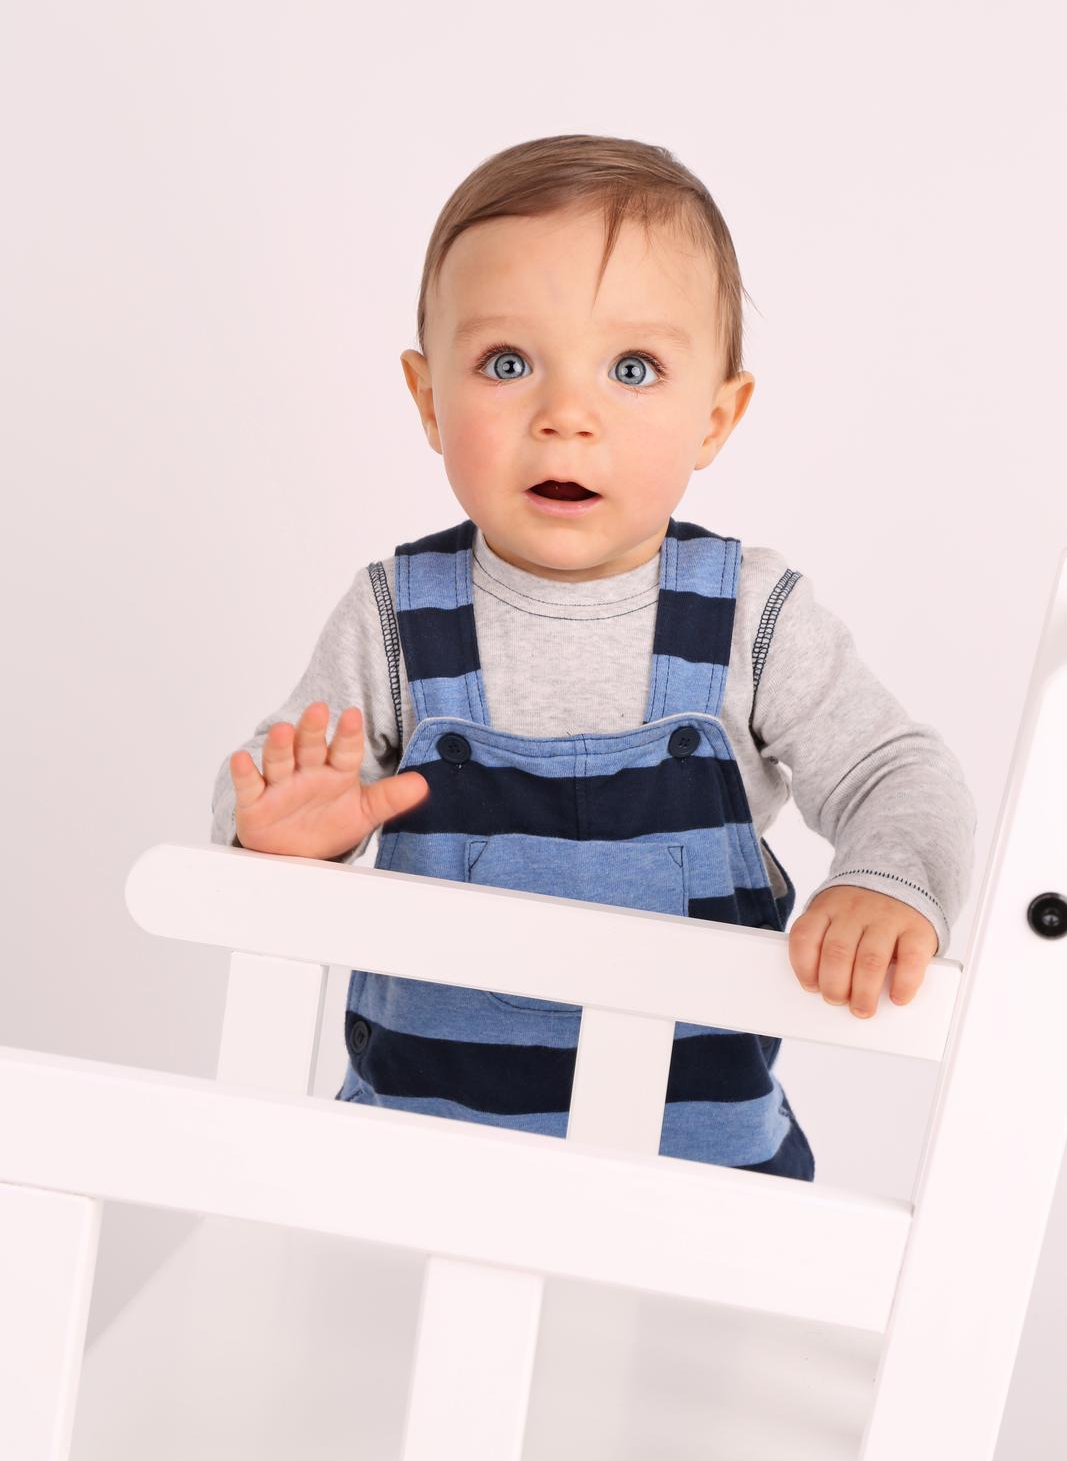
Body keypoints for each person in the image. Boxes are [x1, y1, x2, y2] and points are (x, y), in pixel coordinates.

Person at [210, 134, 976, 1181]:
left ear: (714, 418)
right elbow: (272, 779)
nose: (565, 417)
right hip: (413, 1173)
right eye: (506, 364)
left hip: (699, 1187)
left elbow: (898, 768)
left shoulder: (751, 618)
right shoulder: (394, 616)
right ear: (428, 399)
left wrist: (887, 881)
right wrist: (277, 834)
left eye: (632, 369)